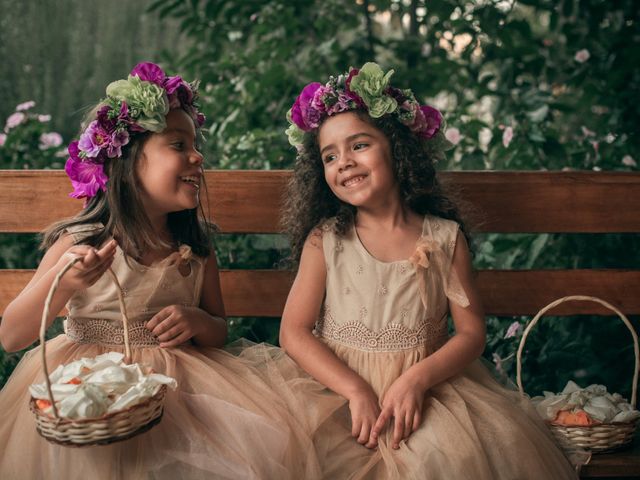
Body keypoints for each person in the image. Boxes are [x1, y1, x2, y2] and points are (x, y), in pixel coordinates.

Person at [0, 62, 320, 480]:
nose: (197, 155)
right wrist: (67, 282)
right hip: (89, 393)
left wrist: (197, 321)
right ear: (129, 163)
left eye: (194, 143)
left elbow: (219, 329)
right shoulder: (82, 242)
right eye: (177, 144)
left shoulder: (195, 250)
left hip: (180, 392)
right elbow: (12, 336)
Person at [278, 62, 578, 479]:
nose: (344, 162)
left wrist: (416, 380)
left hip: (427, 392)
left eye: (359, 145)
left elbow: (471, 334)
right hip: (336, 393)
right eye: (330, 155)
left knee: (446, 461)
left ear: (398, 149)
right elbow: (293, 331)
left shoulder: (444, 238)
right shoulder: (325, 240)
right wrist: (355, 389)